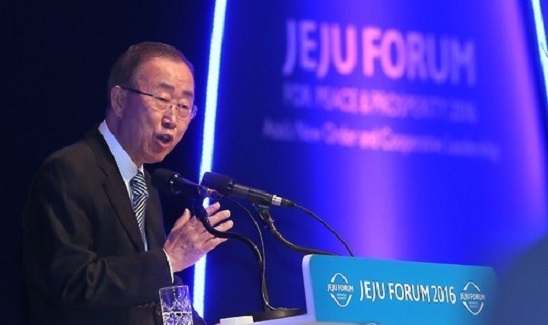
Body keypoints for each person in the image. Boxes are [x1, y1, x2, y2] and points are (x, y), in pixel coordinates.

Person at [21, 42, 233, 324]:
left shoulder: (144, 182)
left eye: (183, 106)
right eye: (161, 99)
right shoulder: (69, 170)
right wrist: (168, 259)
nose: (172, 119)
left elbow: (158, 290)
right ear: (119, 100)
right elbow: (72, 283)